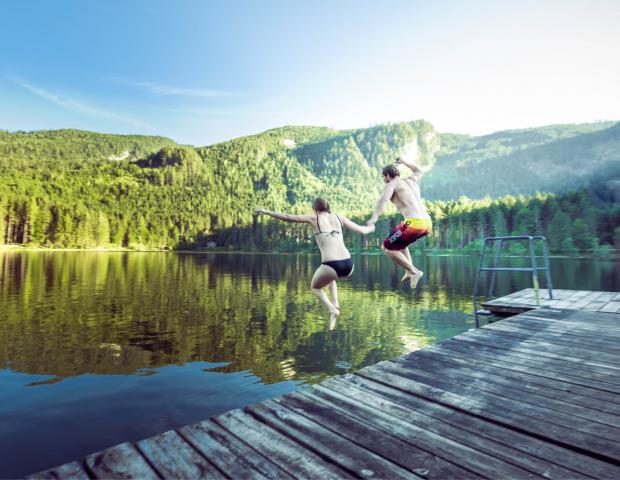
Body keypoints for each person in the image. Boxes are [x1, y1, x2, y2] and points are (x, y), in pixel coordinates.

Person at [256, 198, 374, 326]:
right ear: (327, 207)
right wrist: (371, 227)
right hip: (349, 265)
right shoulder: (340, 218)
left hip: (331, 265)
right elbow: (363, 230)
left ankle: (332, 310)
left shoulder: (314, 219)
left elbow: (287, 216)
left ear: (315, 209)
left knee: (315, 287)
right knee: (330, 279)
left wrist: (265, 211)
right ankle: (336, 304)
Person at [366, 156, 432, 288]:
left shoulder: (392, 184)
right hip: (427, 223)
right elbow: (419, 170)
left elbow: (383, 200)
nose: (383, 180)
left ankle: (414, 271)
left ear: (387, 176)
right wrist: (404, 161)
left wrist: (374, 218)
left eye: (383, 177)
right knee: (400, 245)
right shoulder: (411, 180)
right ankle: (409, 271)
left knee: (387, 247)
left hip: (414, 222)